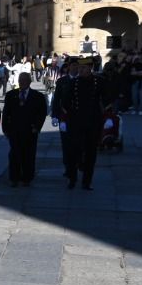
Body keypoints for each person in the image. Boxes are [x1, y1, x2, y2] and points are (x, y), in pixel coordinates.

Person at [51, 56, 101, 189]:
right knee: (73, 151)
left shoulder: (98, 82)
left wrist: (107, 117)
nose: (81, 70)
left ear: (90, 68)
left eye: (84, 68)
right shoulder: (74, 83)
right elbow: (64, 102)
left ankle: (87, 181)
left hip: (92, 121)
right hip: (76, 122)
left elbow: (106, 99)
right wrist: (63, 117)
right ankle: (72, 178)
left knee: (91, 153)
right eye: (80, 68)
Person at [2, 71, 48, 183]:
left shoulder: (38, 96)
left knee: (29, 155)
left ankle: (27, 177)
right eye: (20, 81)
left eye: (24, 80)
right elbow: (6, 113)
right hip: (14, 131)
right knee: (14, 155)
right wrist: (6, 129)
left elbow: (42, 113)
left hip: (30, 131)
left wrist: (37, 127)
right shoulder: (11, 95)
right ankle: (14, 177)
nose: (22, 83)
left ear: (29, 82)